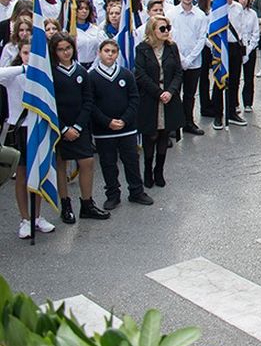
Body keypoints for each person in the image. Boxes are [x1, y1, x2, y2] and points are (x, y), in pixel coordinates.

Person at [50, 33, 110, 224]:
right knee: (61, 165)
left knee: (87, 162)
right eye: (60, 49)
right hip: (59, 126)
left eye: (68, 48)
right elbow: (49, 104)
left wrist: (77, 126)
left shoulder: (81, 72)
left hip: (80, 125)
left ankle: (87, 203)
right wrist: (63, 128)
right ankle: (65, 205)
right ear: (54, 51)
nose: (65, 52)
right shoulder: (50, 72)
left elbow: (88, 100)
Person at [0, 42, 57, 237]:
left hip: (38, 130)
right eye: (25, 53)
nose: (29, 57)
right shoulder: (13, 76)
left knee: (39, 173)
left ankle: (37, 216)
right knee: (23, 175)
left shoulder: (44, 76)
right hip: (20, 129)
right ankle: (25, 219)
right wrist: (23, 67)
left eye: (32, 55)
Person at [89, 39, 153, 210]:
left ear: (118, 54)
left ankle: (136, 191)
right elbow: (91, 104)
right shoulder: (92, 77)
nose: (110, 54)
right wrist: (107, 121)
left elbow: (134, 99)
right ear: (99, 53)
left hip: (127, 129)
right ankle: (112, 194)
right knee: (108, 163)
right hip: (104, 131)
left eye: (113, 51)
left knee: (131, 160)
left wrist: (125, 120)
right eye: (106, 51)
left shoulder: (126, 74)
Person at [134, 16, 184, 188]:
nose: (166, 31)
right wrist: (159, 92)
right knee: (151, 135)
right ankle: (147, 170)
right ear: (152, 30)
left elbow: (178, 72)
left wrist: (170, 92)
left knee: (164, 134)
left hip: (169, 97)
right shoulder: (142, 49)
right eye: (162, 28)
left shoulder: (172, 48)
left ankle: (159, 171)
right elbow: (140, 74)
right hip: (151, 98)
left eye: (168, 27)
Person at [166, 0, 207, 136]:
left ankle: (188, 122)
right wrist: (181, 58)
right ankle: (173, 125)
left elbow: (201, 38)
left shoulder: (200, 15)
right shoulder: (171, 14)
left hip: (194, 62)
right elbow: (169, 37)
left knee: (190, 94)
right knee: (174, 93)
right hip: (175, 60)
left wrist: (189, 59)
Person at [226, 0, 259, 117]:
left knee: (249, 77)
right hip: (238, 46)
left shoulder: (253, 14)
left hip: (250, 46)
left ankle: (248, 102)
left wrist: (249, 49)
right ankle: (234, 103)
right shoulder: (234, 11)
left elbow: (256, 33)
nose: (243, 1)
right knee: (235, 77)